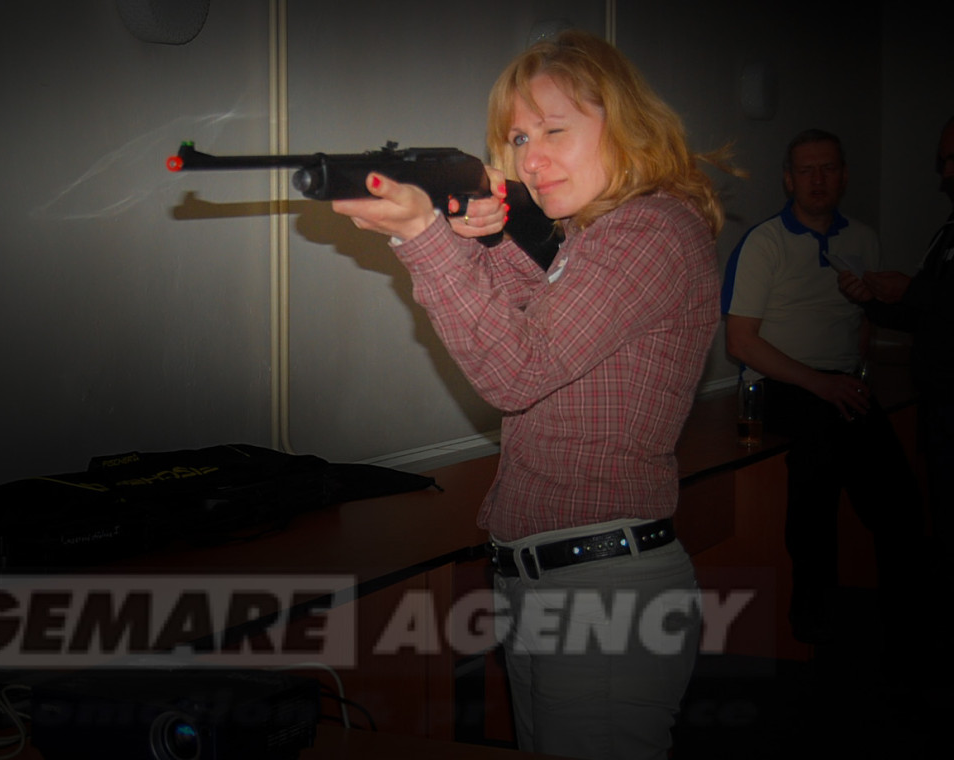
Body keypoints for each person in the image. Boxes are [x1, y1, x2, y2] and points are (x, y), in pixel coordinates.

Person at [332, 30, 732, 760]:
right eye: (518, 139)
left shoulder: (649, 228)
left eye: (554, 130)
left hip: (600, 587)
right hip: (555, 582)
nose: (531, 160)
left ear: (627, 124)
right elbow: (527, 322)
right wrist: (474, 237)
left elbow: (516, 372)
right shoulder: (590, 237)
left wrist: (423, 234)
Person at [722, 129, 926, 646]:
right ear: (788, 180)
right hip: (778, 385)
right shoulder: (765, 242)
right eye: (806, 170)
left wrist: (852, 376)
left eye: (828, 168)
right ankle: (813, 613)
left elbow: (862, 322)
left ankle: (907, 622)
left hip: (840, 384)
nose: (818, 179)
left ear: (844, 176)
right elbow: (741, 342)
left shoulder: (864, 237)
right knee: (817, 459)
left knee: (899, 497)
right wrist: (822, 383)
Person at [838, 116, 954, 545]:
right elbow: (921, 317)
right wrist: (870, 299)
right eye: (942, 161)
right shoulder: (948, 230)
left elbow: (928, 299)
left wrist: (913, 290)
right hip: (938, 402)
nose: (946, 173)